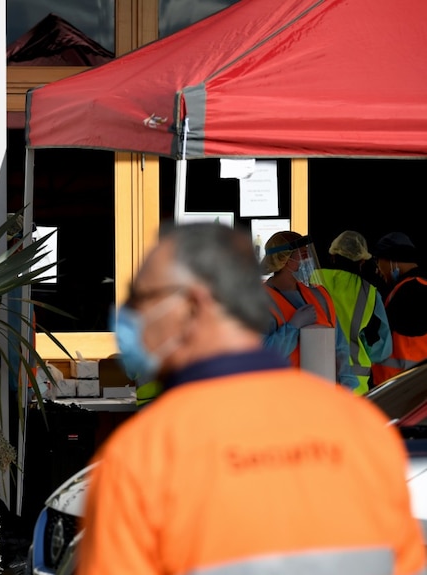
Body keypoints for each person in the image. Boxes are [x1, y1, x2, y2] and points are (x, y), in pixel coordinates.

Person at [77, 222, 424, 575]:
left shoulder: (146, 453)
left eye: (145, 299)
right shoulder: (365, 431)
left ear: (194, 303)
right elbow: (404, 561)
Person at [261, 231, 359, 390]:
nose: (309, 260)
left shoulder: (319, 295)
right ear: (284, 260)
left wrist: (347, 387)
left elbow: (339, 346)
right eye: (304, 254)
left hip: (320, 396)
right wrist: (292, 328)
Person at [315, 230, 392, 394]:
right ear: (362, 261)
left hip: (315, 376)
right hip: (355, 384)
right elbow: (382, 348)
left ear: (333, 255)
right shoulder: (369, 293)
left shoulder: (313, 279)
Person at [372, 232, 427, 385]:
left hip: (396, 388)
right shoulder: (420, 285)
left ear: (392, 259)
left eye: (378, 261)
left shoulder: (408, 291)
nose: (378, 269)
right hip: (415, 384)